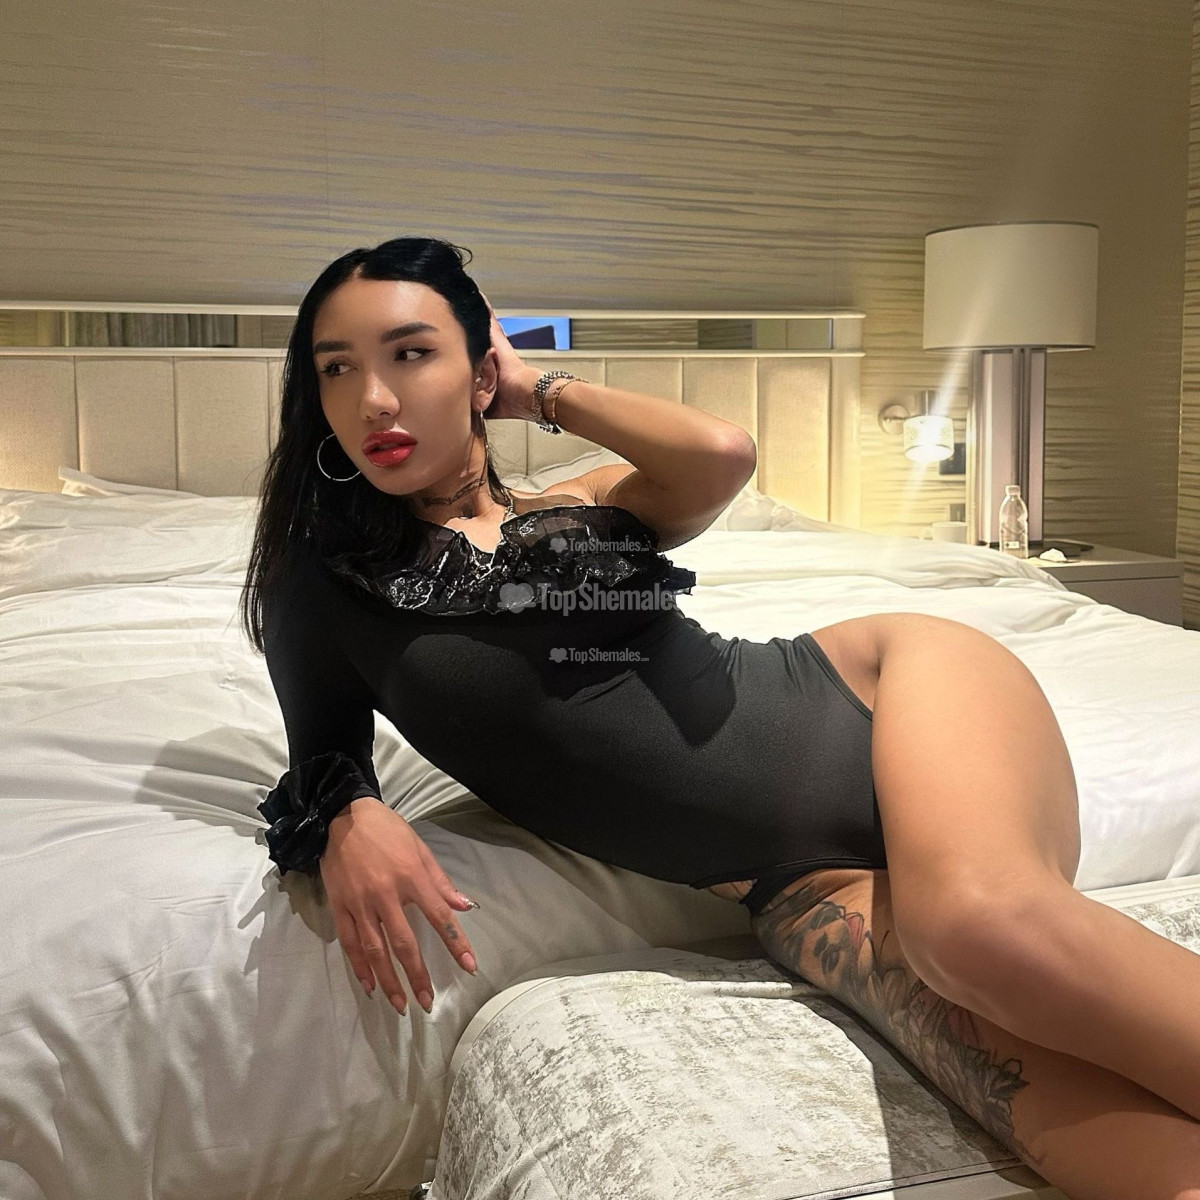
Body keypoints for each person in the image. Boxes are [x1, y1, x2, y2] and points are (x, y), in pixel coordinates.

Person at [240, 236, 1200, 1196]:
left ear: (478, 371)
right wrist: (352, 815)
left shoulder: (585, 499)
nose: (374, 400)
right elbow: (325, 757)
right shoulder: (322, 585)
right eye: (337, 369)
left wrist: (536, 389)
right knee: (1046, 1111)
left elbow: (723, 453)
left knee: (975, 927)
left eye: (412, 354)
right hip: (800, 890)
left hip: (889, 694)